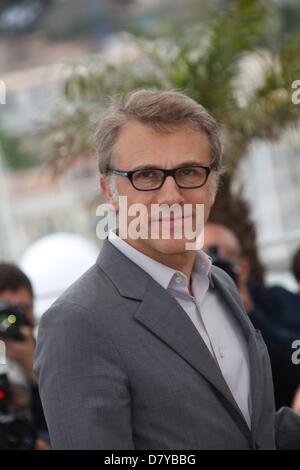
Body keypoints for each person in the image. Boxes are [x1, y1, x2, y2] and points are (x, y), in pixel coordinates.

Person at [34, 89, 300, 450]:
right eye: (146, 176)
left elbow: (248, 432)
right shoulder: (77, 322)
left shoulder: (219, 284)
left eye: (189, 171)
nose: (171, 196)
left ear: (214, 182)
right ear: (109, 191)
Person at [203, 223, 300, 410]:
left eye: (216, 264)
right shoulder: (187, 317)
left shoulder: (274, 300)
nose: (207, 273)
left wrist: (250, 312)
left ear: (243, 267)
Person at [0, 263, 49, 449]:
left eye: (23, 308)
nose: (14, 320)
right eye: (6, 311)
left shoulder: (50, 352)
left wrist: (35, 368)